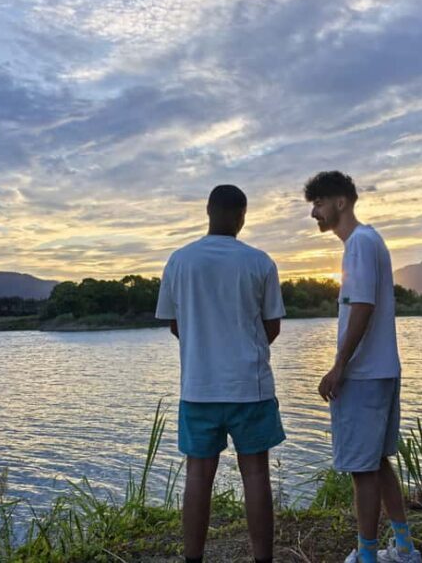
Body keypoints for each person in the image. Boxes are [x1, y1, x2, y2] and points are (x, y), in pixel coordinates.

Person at [155, 184, 286, 563]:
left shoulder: (179, 261)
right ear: (242, 216)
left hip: (199, 388)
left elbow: (175, 325)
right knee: (256, 474)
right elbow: (272, 326)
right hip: (251, 388)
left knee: (198, 475)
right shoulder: (260, 262)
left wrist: (205, 348)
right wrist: (243, 349)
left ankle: (193, 559)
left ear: (208, 211)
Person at [304, 171, 422, 563]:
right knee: (378, 462)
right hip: (382, 370)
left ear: (341, 202)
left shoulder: (358, 243)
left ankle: (368, 555)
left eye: (319, 203)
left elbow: (363, 307)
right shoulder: (372, 240)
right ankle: (403, 549)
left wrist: (339, 366)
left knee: (362, 470)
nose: (314, 213)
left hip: (365, 375)